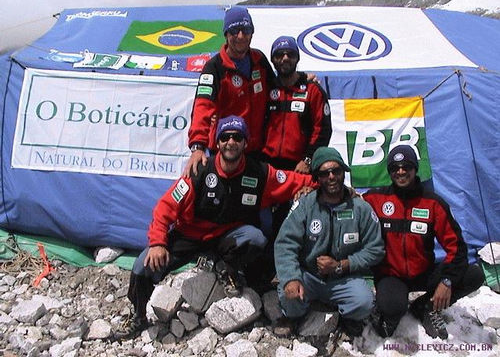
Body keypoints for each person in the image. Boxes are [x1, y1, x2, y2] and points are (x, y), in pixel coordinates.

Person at [121, 115, 315, 338]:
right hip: (189, 235)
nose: (231, 142)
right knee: (141, 266)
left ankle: (225, 268)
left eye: (237, 137)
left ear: (245, 142)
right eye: (225, 137)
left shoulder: (260, 172)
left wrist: (330, 187)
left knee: (256, 238)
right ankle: (137, 315)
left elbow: (295, 181)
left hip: (226, 237)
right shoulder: (199, 170)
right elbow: (165, 207)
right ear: (217, 142)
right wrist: (157, 243)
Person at [363, 145, 485, 339]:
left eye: (406, 166)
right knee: (393, 307)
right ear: (389, 171)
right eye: (395, 168)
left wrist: (447, 280)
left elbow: (458, 248)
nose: (401, 171)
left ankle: (426, 306)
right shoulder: (375, 198)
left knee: (474, 275)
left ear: (415, 169)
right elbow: (347, 202)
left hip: (423, 272)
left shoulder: (433, 203)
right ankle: (391, 314)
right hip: (391, 275)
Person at [273, 147, 385, 338]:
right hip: (308, 275)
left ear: (344, 172)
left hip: (343, 279)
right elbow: (285, 243)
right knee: (288, 295)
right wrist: (291, 277)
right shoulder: (305, 204)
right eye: (324, 173)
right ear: (317, 177)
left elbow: (375, 249)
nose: (331, 176)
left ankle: (346, 317)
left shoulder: (360, 207)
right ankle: (293, 316)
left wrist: (342, 265)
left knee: (364, 303)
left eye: (336, 171)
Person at [184, 6, 275, 176]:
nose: (240, 36)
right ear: (226, 34)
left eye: (246, 30)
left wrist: (301, 79)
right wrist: (198, 147)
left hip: (255, 151)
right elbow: (202, 107)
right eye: (234, 31)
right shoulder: (215, 67)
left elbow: (278, 89)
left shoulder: (259, 60)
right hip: (225, 151)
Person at [262, 35, 332, 174]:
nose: (285, 58)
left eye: (291, 54)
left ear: (298, 58)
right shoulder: (264, 88)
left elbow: (323, 130)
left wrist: (308, 160)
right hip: (267, 166)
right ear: (272, 60)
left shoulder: (313, 90)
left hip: (300, 167)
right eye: (279, 55)